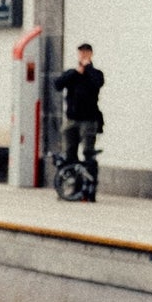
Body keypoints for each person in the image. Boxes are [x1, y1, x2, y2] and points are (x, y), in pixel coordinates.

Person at [53, 42, 104, 198]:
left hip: (88, 120)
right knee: (69, 153)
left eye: (86, 52)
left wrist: (87, 68)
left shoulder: (95, 73)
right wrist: (75, 72)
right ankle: (72, 185)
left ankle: (90, 188)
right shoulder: (72, 74)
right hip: (72, 119)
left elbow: (98, 83)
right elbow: (58, 84)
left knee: (89, 153)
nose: (83, 55)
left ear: (91, 54)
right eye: (81, 52)